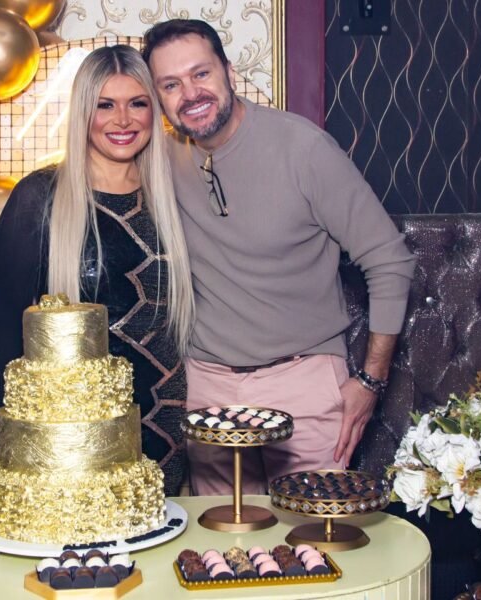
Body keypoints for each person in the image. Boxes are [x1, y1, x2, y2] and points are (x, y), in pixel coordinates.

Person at [142, 20, 417, 495]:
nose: (190, 94)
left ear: (229, 72)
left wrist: (371, 381)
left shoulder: (303, 149)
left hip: (303, 383)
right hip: (208, 391)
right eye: (171, 85)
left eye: (201, 74)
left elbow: (389, 260)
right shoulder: (160, 160)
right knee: (221, 538)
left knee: (310, 535)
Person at [0, 45, 195, 496]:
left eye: (137, 103)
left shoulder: (176, 197)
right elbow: (8, 330)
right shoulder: (38, 198)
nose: (122, 120)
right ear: (83, 111)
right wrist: (11, 436)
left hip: (167, 426)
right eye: (105, 105)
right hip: (72, 431)